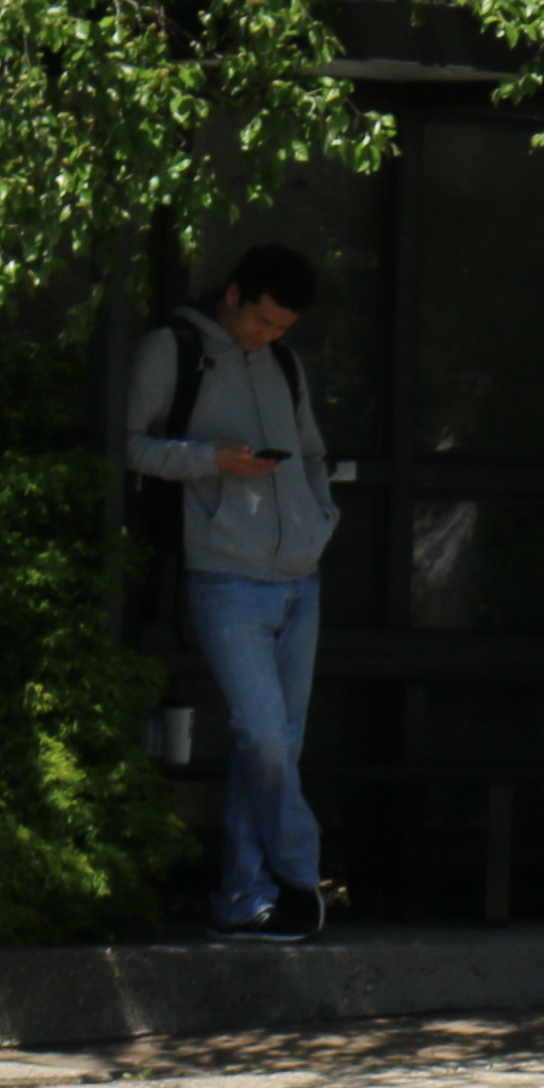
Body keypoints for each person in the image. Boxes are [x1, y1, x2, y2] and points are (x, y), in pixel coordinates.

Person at [122, 244, 342, 942]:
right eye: (263, 322)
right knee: (264, 737)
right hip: (225, 572)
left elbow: (309, 451)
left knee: (275, 743)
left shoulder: (281, 360)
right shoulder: (174, 349)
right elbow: (128, 443)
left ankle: (247, 898)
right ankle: (302, 873)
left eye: (283, 328)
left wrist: (318, 515)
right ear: (234, 295)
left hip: (297, 574)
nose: (269, 336)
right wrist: (210, 462)